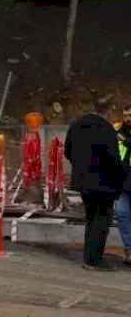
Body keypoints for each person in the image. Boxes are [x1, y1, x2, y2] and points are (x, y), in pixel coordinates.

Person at [65, 100, 128, 271]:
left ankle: (89, 257)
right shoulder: (106, 129)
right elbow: (113, 158)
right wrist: (122, 174)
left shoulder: (76, 126)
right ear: (107, 112)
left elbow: (67, 151)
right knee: (101, 222)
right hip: (103, 183)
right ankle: (94, 260)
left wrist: (80, 167)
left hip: (83, 182)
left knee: (91, 218)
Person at [115, 105, 131, 268]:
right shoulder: (117, 131)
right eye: (126, 115)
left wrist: (124, 140)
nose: (128, 118)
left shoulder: (122, 136)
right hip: (122, 182)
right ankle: (128, 248)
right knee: (122, 215)